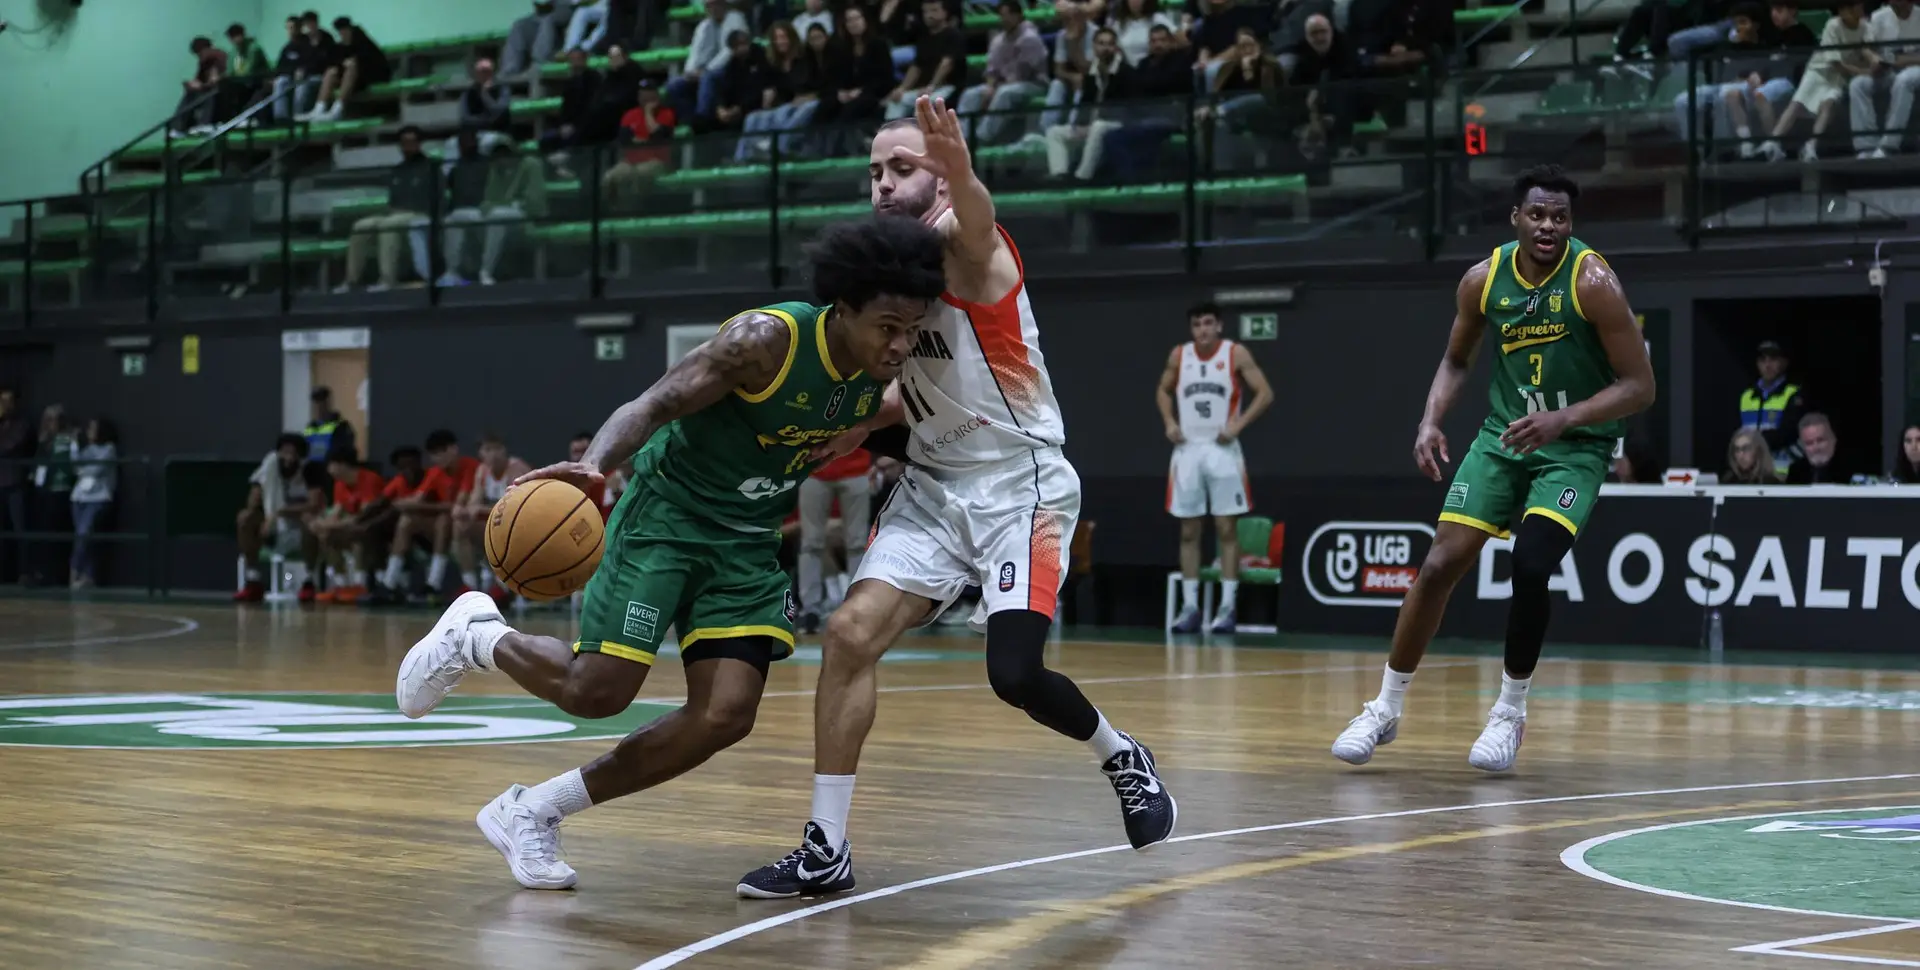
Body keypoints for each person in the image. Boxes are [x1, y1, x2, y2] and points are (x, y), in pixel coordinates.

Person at [391, 217, 946, 891]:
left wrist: (871, 418)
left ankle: (532, 810)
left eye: (911, 329)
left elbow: (894, 400)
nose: (900, 344)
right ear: (843, 309)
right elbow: (653, 404)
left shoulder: (886, 370)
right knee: (595, 694)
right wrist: (593, 467)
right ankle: (479, 636)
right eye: (887, 326)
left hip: (745, 541)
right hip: (668, 518)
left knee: (725, 716)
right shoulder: (764, 342)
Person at [736, 99, 1179, 901]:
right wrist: (859, 426)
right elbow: (927, 390)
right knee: (847, 634)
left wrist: (965, 174)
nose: (881, 182)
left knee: (1012, 674)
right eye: (873, 170)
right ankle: (825, 848)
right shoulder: (892, 277)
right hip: (936, 486)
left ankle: (1122, 756)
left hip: (1022, 486)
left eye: (901, 167)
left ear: (939, 174)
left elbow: (975, 220)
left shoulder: (970, 250)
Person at [1328, 165, 1656, 773]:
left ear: (1570, 223)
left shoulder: (1593, 282)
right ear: (1516, 218)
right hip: (1504, 438)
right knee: (1439, 563)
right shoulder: (1483, 280)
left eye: (1560, 217)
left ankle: (1509, 713)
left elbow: (1640, 386)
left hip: (1574, 446)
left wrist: (1565, 419)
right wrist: (1430, 421)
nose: (1549, 226)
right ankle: (1385, 707)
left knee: (1530, 563)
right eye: (1538, 215)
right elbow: (1455, 361)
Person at [1157, 300, 1273, 635]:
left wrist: (1239, 425)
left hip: (1223, 451)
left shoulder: (1235, 353)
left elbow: (1265, 393)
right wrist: (1168, 421)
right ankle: (1190, 608)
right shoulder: (1180, 356)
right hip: (1188, 449)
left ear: (1219, 326)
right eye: (1197, 324)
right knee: (1189, 530)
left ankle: (1226, 607)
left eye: (1208, 323)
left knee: (1226, 529)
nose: (1203, 330)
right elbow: (1162, 391)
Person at [337, 126, 435, 292]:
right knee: (360, 226)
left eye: (411, 142)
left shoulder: (431, 167)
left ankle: (388, 280)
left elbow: (434, 199)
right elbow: (393, 201)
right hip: (395, 214)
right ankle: (351, 281)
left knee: (388, 225)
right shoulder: (397, 170)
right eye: (404, 143)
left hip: (419, 214)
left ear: (419, 144)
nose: (408, 146)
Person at [235, 433, 328, 603]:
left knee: (310, 520)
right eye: (285, 452)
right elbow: (253, 499)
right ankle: (253, 580)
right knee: (245, 518)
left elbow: (314, 504)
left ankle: (309, 581)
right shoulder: (270, 466)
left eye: (294, 453)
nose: (289, 457)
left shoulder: (310, 470)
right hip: (272, 528)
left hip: (299, 529)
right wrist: (259, 502)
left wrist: (281, 512)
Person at [451, 434, 532, 597]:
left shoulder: (515, 469)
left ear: (505, 451)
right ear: (481, 453)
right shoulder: (482, 471)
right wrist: (463, 510)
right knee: (461, 527)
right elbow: (474, 502)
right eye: (488, 449)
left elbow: (514, 509)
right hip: (498, 524)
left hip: (526, 527)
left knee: (504, 528)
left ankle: (504, 586)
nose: (493, 454)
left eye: (497, 449)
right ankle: (470, 584)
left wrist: (479, 509)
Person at [312, 446, 388, 603]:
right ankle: (342, 584)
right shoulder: (340, 485)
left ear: (342, 464)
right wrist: (320, 523)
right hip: (353, 527)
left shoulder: (369, 479)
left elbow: (362, 517)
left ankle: (360, 584)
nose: (329, 470)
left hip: (377, 531)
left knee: (357, 533)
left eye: (330, 465)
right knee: (326, 535)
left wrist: (330, 525)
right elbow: (336, 513)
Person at [1738, 339, 1806, 477]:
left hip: (1782, 473)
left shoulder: (1793, 394)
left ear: (1784, 362)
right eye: (1763, 360)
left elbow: (1790, 433)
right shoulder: (1746, 396)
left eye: (1773, 359)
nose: (1767, 365)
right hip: (1750, 473)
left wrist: (1756, 441)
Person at [68, 417, 117, 590]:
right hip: (79, 497)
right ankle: (88, 576)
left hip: (97, 498)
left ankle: (74, 573)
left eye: (93, 428)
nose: (89, 431)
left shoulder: (109, 449)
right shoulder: (88, 449)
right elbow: (75, 466)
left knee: (84, 534)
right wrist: (74, 443)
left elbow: (97, 469)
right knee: (83, 537)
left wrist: (83, 469)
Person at [1784, 411, 1848, 483]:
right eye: (1809, 443)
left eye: (1820, 440)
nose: (1816, 448)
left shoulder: (1850, 467)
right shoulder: (1796, 471)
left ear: (1833, 439)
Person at [303, 386, 355, 471]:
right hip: (312, 473)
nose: (318, 405)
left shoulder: (340, 425)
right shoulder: (310, 427)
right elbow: (305, 450)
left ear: (328, 402)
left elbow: (345, 453)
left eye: (321, 401)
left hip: (332, 472)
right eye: (315, 402)